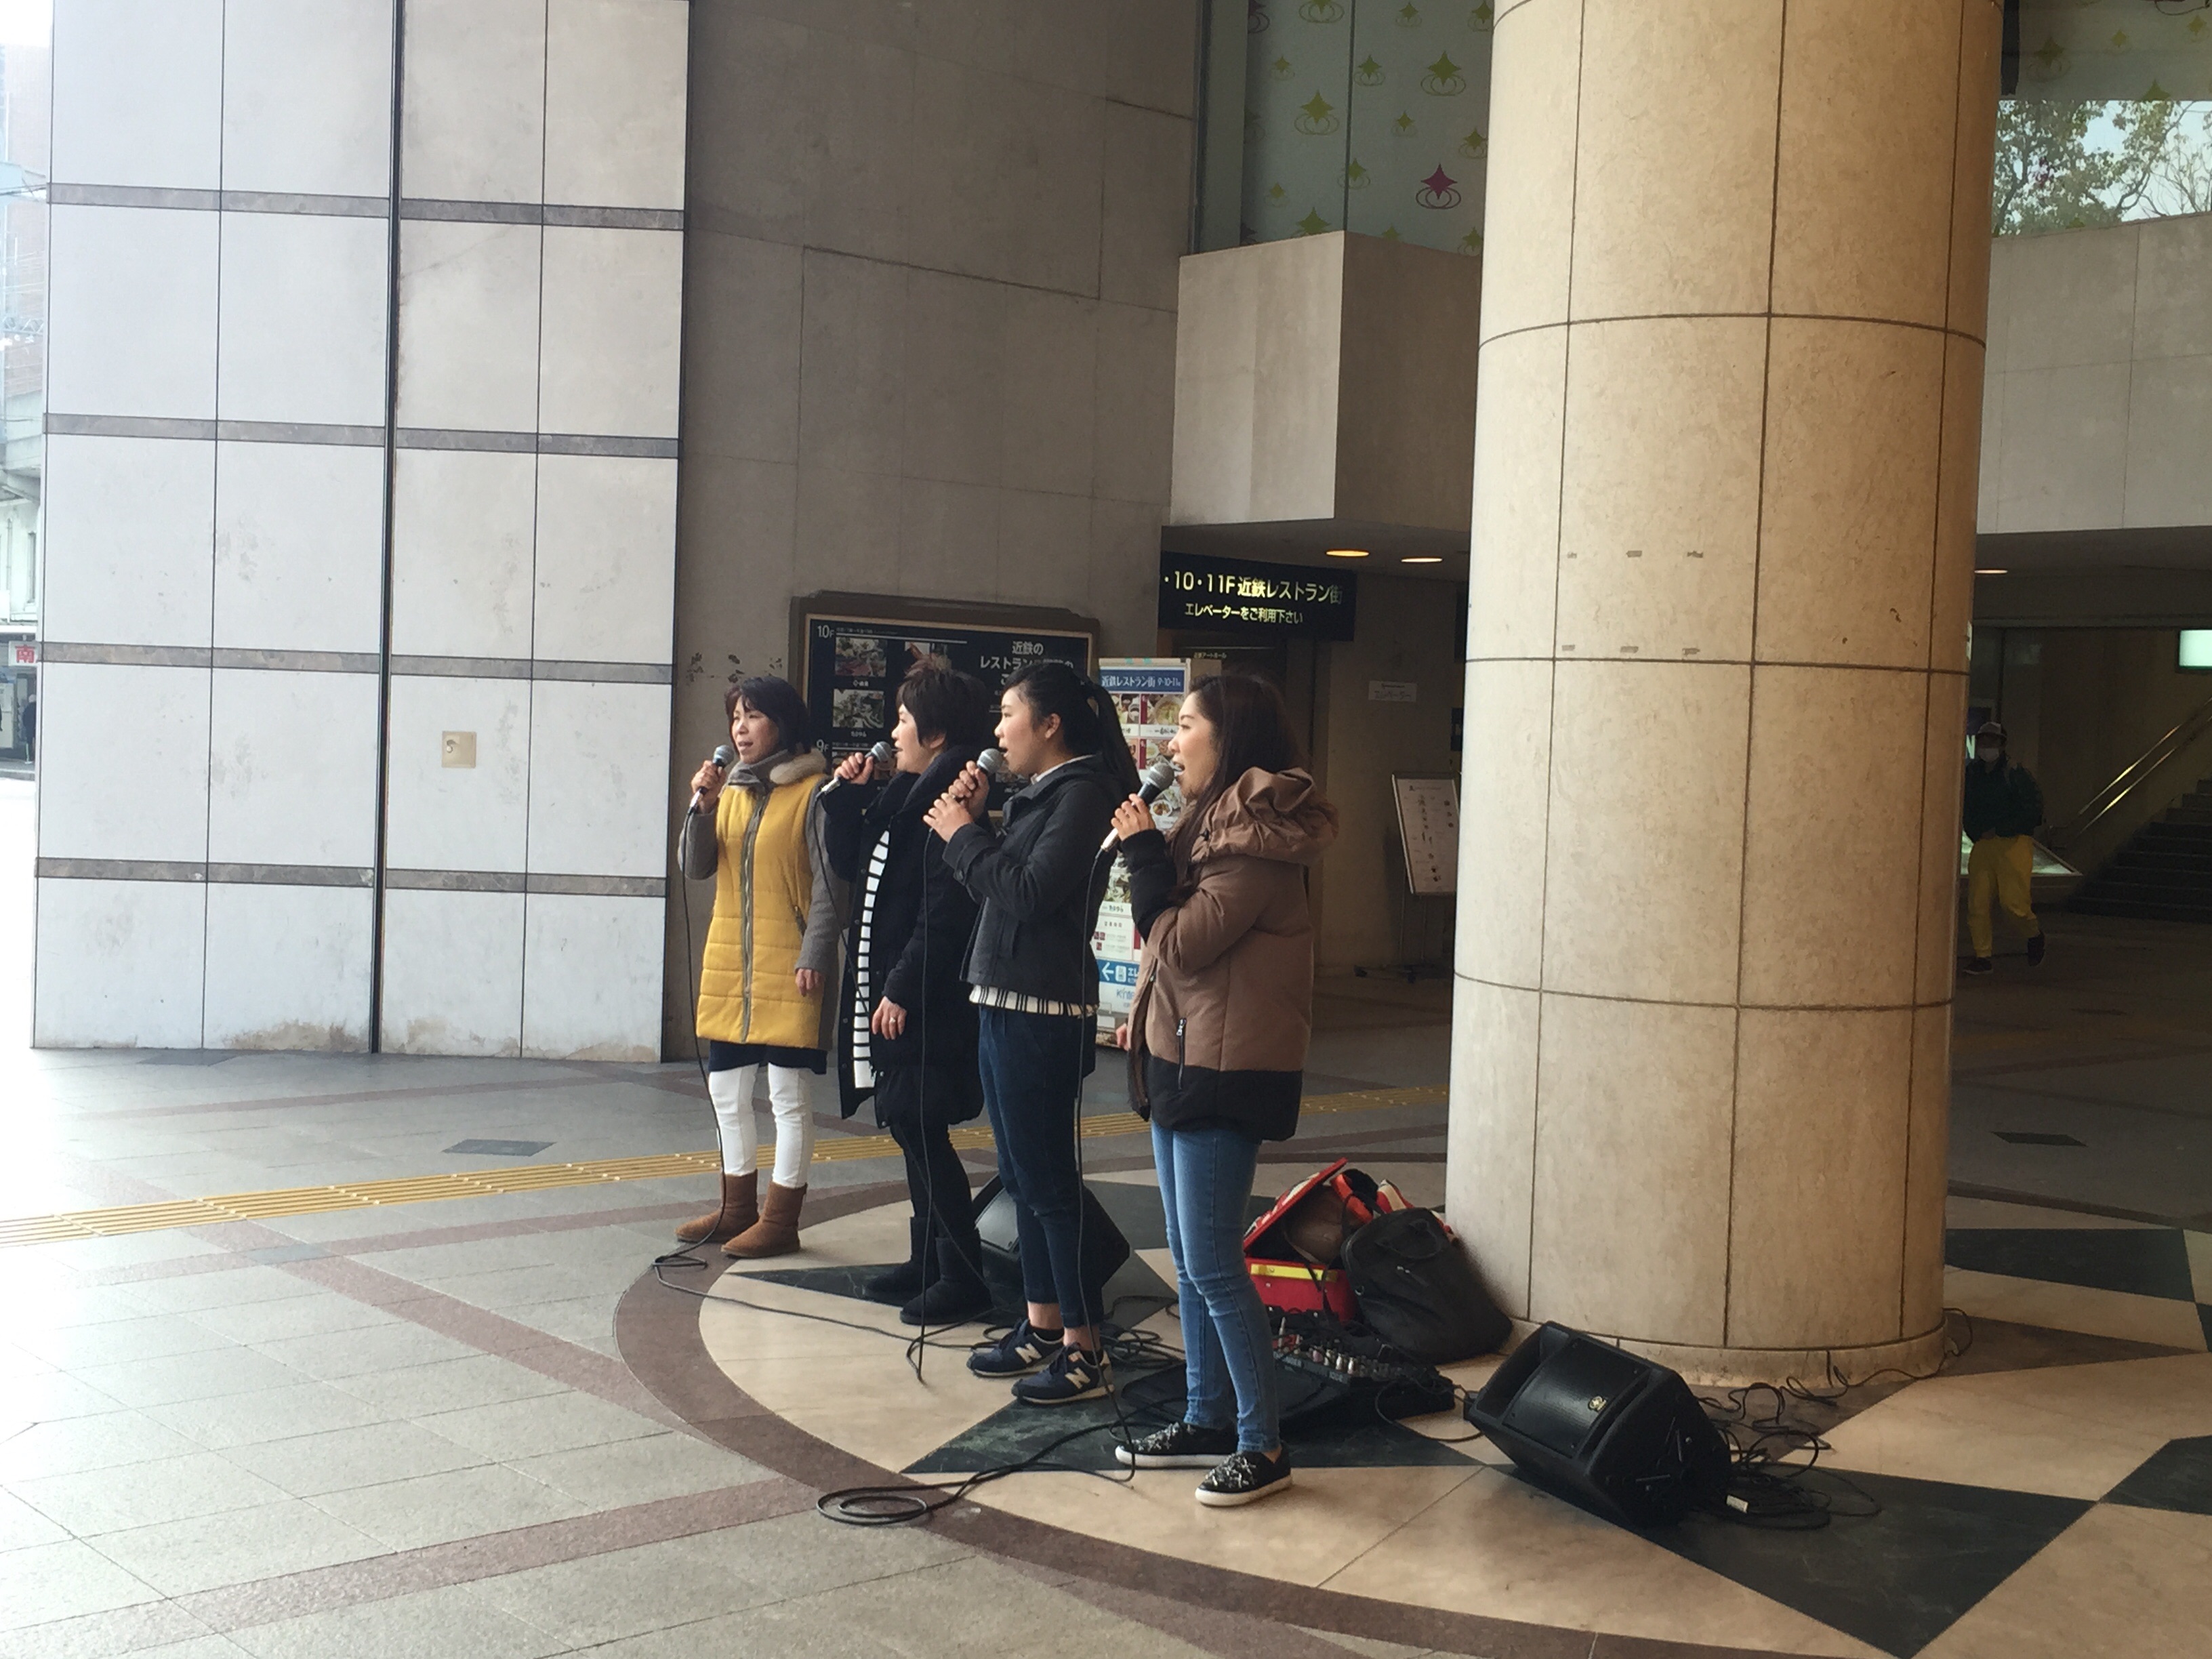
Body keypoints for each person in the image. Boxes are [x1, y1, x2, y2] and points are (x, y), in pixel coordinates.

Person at [1105, 674, 1336, 1508]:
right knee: (1188, 1255)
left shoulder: (1254, 843)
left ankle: (1261, 1444)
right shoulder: (1209, 826)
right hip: (1184, 1056)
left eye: (1187, 727)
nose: (1172, 743)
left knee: (1212, 1261)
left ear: (1228, 739)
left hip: (1226, 1071)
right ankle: (1206, 1415)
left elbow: (1183, 944)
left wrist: (1141, 853)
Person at [922, 661, 1139, 1405]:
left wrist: (964, 835)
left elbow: (1032, 893)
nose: (999, 729)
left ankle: (1085, 1347)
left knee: (1048, 1185)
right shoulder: (1042, 794)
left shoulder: (1082, 793)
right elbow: (999, 883)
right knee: (1021, 1178)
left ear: (1049, 724)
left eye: (1009, 713)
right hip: (1006, 998)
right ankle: (1043, 1323)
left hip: (1043, 1010)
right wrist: (975, 825)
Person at [820, 666, 997, 1326]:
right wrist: (846, 800)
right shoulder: (908, 794)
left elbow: (943, 908)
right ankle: (928, 1261)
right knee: (909, 1125)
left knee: (920, 1127)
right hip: (903, 989)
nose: (893, 732)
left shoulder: (950, 801)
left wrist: (899, 989)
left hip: (925, 998)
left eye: (903, 720)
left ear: (937, 733)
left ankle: (961, 1274)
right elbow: (856, 867)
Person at [674, 676, 841, 1256]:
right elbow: (695, 866)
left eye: (753, 716)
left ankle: (781, 1219)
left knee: (787, 1095)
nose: (739, 729)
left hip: (791, 963)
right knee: (726, 1090)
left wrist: (815, 952)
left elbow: (832, 885)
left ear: (783, 724)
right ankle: (735, 1209)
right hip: (730, 963)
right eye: (735, 717)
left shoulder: (816, 793)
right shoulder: (730, 792)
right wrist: (703, 807)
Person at [1962, 719, 2045, 977]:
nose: (1986, 745)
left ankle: (2033, 933)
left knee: (2014, 904)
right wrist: (1976, 832)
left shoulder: (2015, 773)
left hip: (2013, 844)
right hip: (1984, 844)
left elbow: (2033, 810)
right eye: (1983, 740)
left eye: (1992, 740)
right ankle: (1983, 956)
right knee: (1977, 903)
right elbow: (1966, 806)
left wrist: (2000, 829)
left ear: (2002, 744)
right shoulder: (1972, 773)